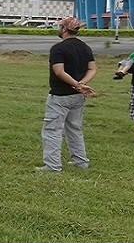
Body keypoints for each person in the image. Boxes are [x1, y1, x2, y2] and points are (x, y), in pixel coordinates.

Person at [37, 17, 97, 173]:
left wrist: (77, 85)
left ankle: (52, 166)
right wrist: (81, 84)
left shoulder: (58, 48)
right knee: (74, 128)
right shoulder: (85, 48)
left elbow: (59, 71)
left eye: (60, 27)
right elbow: (92, 69)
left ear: (64, 29)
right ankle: (81, 161)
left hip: (60, 95)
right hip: (78, 96)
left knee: (52, 130)